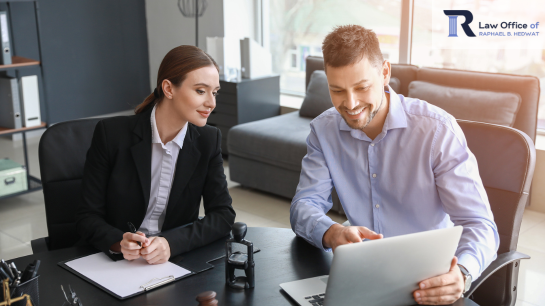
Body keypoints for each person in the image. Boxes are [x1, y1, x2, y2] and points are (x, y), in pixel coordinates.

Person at [290, 25, 499, 305]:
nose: (350, 104)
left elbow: (480, 224)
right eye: (337, 90)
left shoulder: (437, 131)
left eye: (362, 87)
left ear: (385, 72)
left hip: (427, 283)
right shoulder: (323, 131)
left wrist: (462, 273)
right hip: (363, 277)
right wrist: (332, 231)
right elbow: (303, 205)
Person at [76, 45, 236, 265]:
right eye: (201, 91)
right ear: (169, 89)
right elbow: (87, 216)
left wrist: (172, 242)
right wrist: (118, 242)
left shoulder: (208, 140)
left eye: (214, 92)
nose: (212, 103)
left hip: (172, 262)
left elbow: (223, 215)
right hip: (116, 263)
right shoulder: (111, 135)